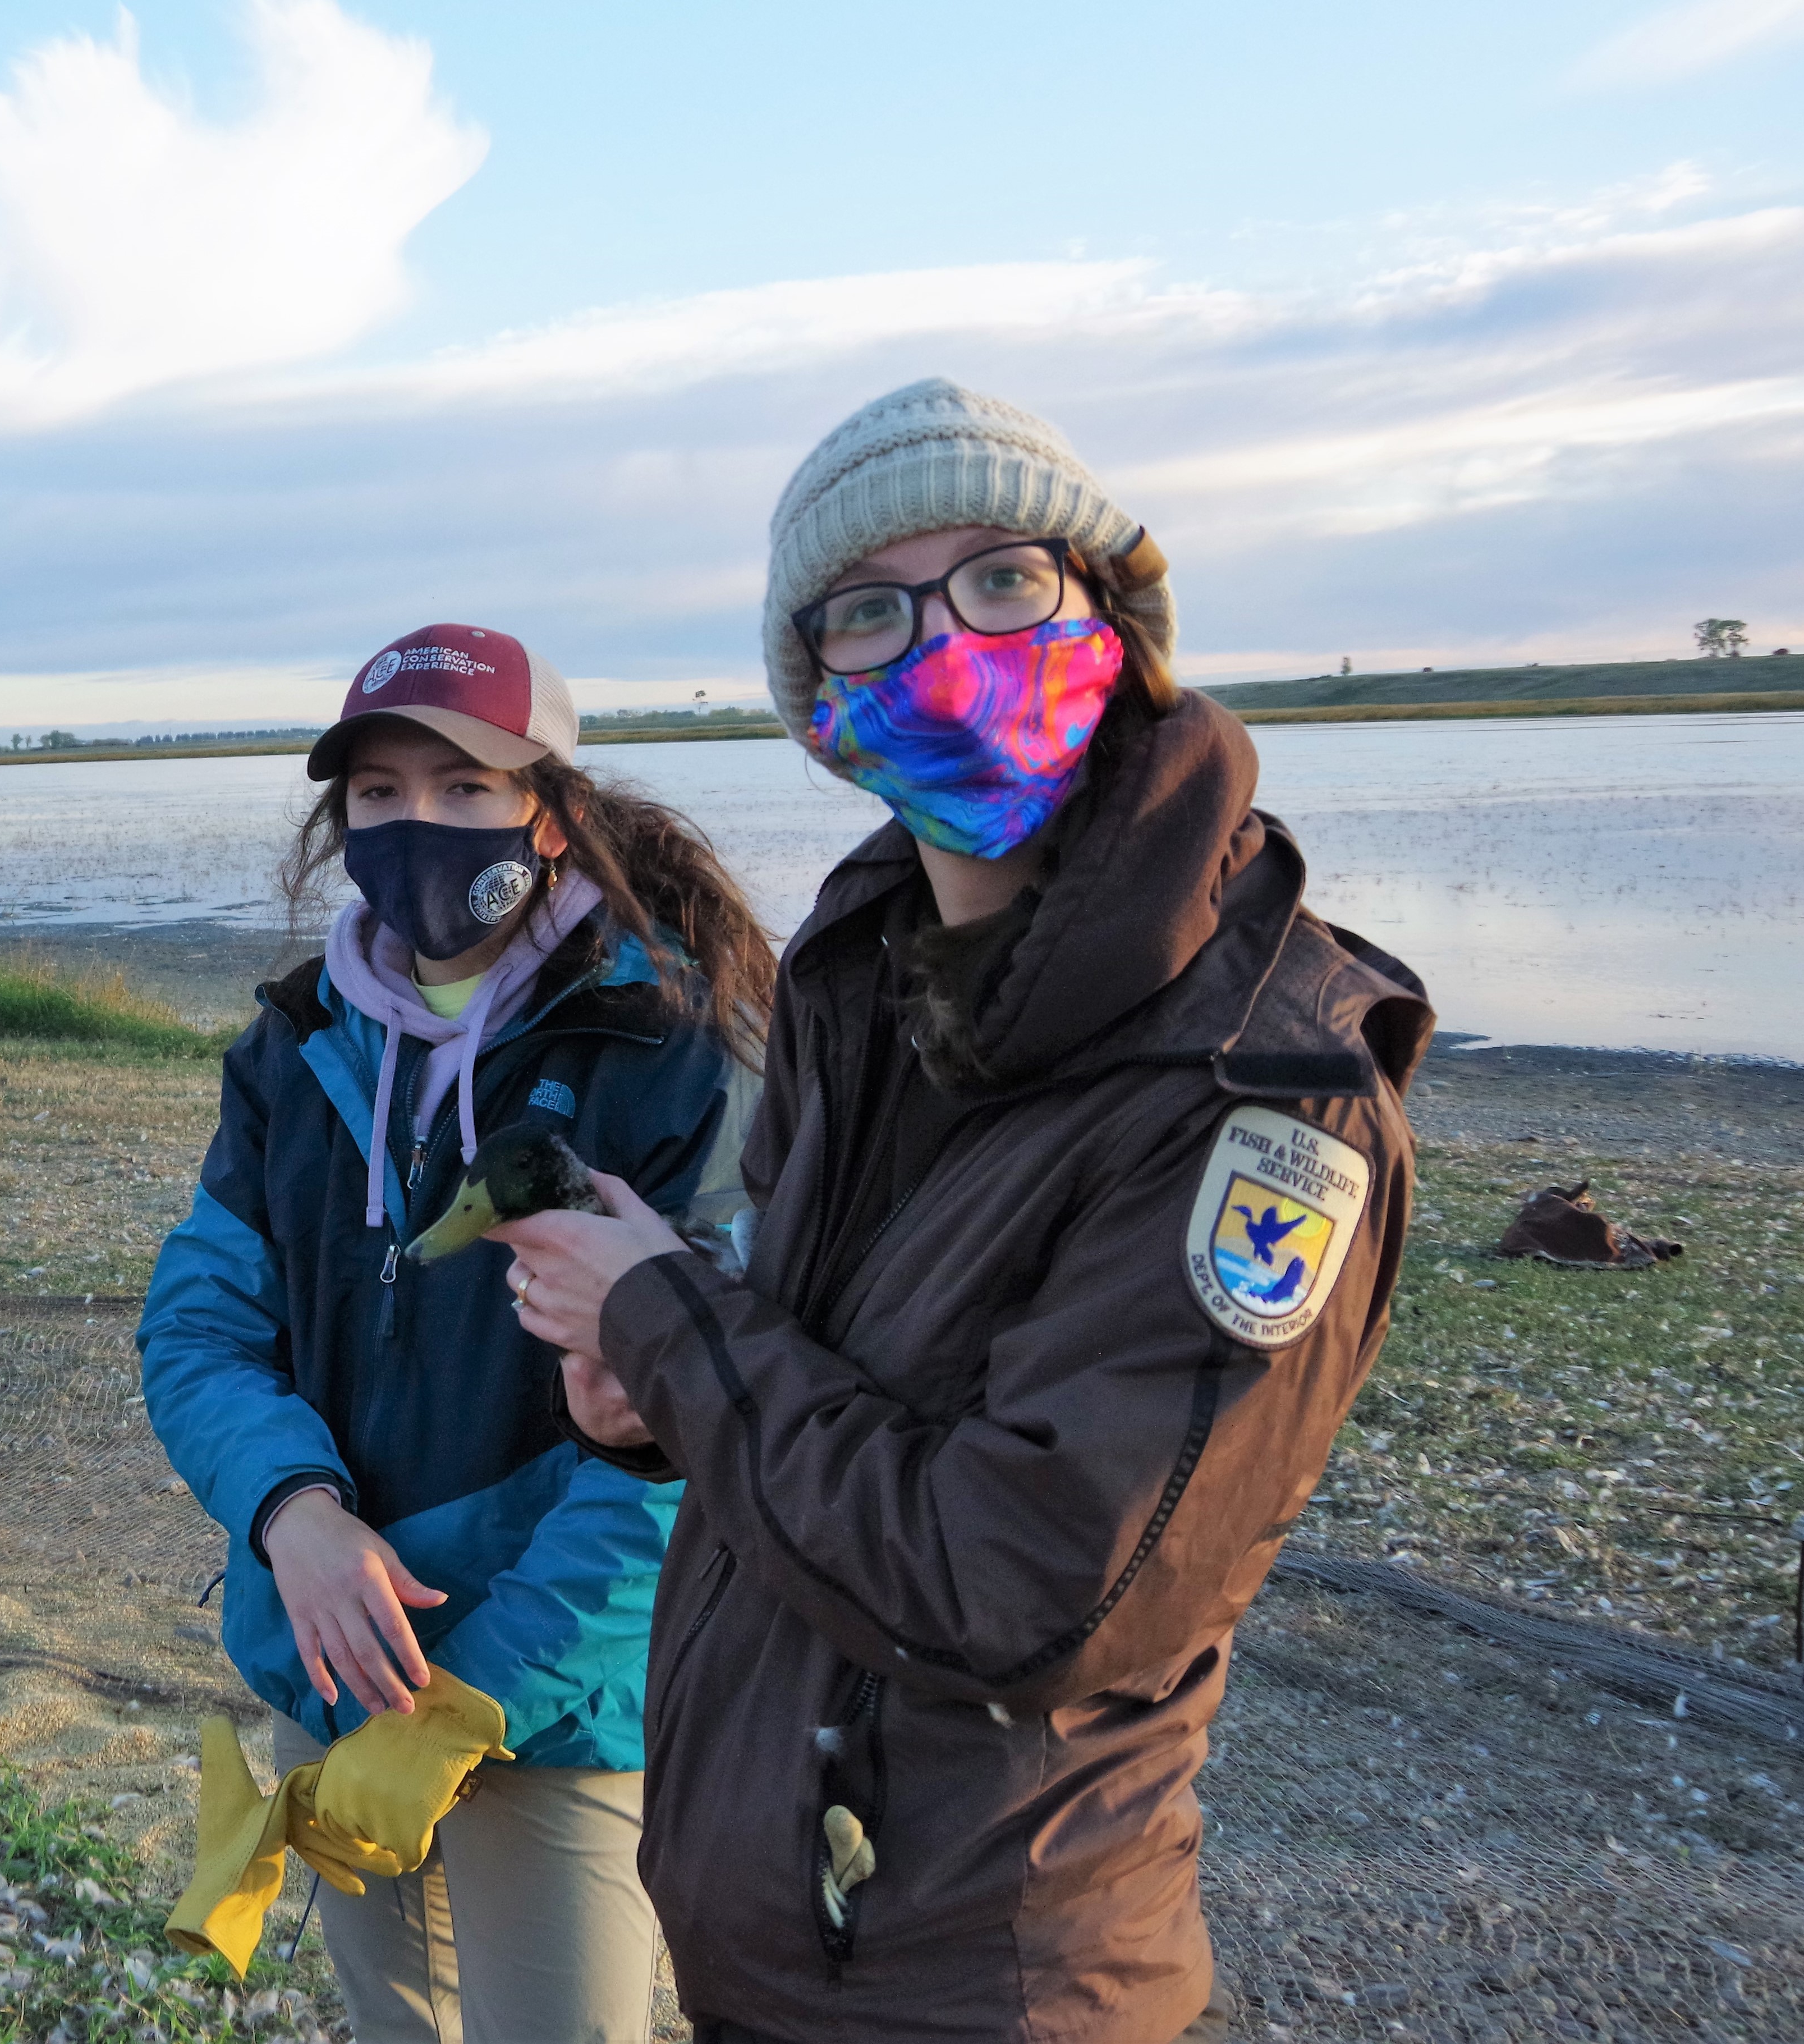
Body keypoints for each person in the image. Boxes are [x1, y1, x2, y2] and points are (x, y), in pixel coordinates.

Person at [491, 381, 1435, 2044]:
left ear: (1112, 619)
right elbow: (826, 1358)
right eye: (871, 613)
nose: (944, 650)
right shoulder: (858, 973)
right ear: (817, 702)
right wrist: (656, 1395)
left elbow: (1024, 1588)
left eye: (1001, 582)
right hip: (781, 1938)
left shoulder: (1262, 1095)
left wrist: (667, 1322)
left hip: (980, 1980)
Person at [139, 622, 770, 2043]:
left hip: (565, 1700)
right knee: (395, 2022)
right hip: (333, 1656)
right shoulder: (294, 1046)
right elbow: (197, 1327)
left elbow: (704, 1424)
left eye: (465, 785)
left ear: (549, 810)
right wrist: (292, 1514)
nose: (415, 822)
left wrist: (473, 1698)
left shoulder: (675, 1050)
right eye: (378, 792)